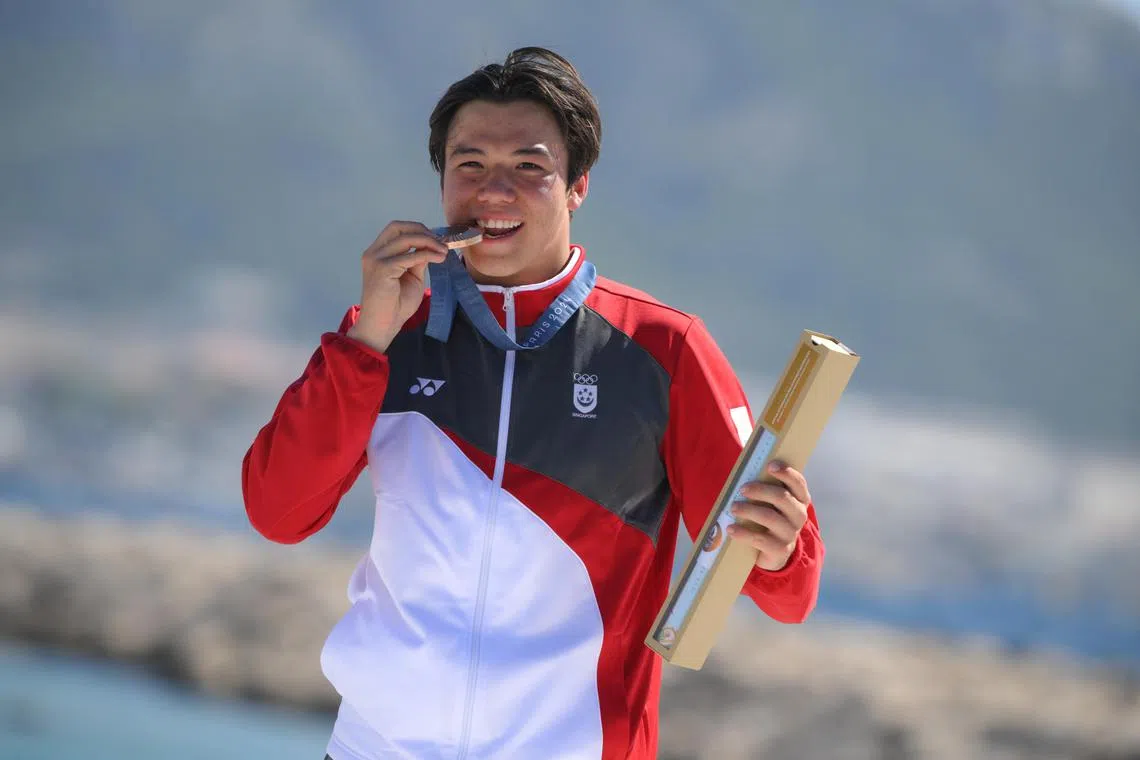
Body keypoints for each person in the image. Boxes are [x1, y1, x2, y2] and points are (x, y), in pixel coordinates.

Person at [242, 46, 825, 760]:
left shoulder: (663, 350)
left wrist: (782, 544)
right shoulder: (386, 332)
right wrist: (365, 341)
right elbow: (277, 513)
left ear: (577, 185)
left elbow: (784, 594)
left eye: (527, 166)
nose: (493, 191)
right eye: (470, 165)